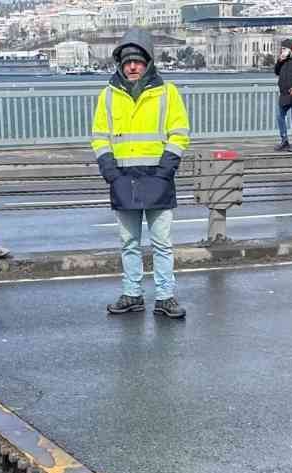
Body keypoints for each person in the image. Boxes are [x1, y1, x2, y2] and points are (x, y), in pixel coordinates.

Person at [91, 30, 192, 320]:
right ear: (120, 65)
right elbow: (99, 136)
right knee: (129, 242)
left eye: (137, 61)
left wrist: (165, 169)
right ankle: (132, 293)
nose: (132, 67)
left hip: (157, 176)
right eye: (127, 62)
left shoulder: (167, 92)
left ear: (147, 63)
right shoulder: (108, 95)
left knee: (161, 242)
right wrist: (110, 171)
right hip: (123, 177)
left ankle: (165, 296)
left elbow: (179, 132)